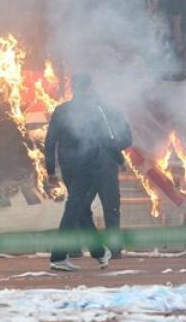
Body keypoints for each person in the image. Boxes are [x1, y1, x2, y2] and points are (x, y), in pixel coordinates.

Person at [44, 74, 131, 271]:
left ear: (72, 87)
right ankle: (58, 256)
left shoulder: (61, 110)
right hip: (88, 166)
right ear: (90, 87)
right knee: (74, 207)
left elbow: (49, 142)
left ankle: (98, 251)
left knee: (81, 208)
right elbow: (105, 140)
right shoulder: (95, 110)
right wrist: (119, 159)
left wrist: (51, 171)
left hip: (68, 167)